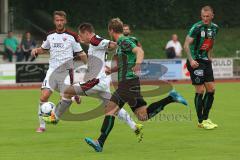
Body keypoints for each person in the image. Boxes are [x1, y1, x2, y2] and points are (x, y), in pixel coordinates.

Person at [84, 18, 188, 152]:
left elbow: (139, 51)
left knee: (110, 109)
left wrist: (138, 65)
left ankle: (100, 142)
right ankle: (171, 98)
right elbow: (126, 62)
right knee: (142, 115)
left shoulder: (123, 41)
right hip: (131, 83)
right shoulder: (121, 43)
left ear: (110, 30)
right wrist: (113, 70)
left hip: (127, 83)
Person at [44, 22, 144, 142]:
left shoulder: (94, 40)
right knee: (112, 108)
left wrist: (123, 43)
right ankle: (135, 126)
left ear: (87, 33)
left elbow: (112, 44)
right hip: (101, 82)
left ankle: (55, 117)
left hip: (97, 82)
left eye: (81, 35)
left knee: (67, 91)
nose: (80, 38)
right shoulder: (94, 43)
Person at [31, 11, 88, 133]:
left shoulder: (72, 36)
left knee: (64, 98)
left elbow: (80, 53)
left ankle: (72, 96)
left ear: (65, 21)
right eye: (57, 20)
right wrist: (36, 50)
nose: (59, 22)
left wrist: (88, 65)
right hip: (52, 71)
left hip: (67, 72)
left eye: (62, 20)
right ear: (54, 21)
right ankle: (42, 126)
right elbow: (43, 49)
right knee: (44, 96)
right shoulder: (50, 36)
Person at [184, 6, 219, 130]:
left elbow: (211, 42)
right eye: (203, 16)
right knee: (200, 91)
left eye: (207, 16)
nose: (205, 19)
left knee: (211, 90)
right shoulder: (197, 27)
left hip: (205, 61)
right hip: (195, 62)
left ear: (212, 16)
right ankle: (201, 121)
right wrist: (191, 60)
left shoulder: (215, 28)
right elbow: (186, 45)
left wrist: (209, 56)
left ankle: (206, 118)